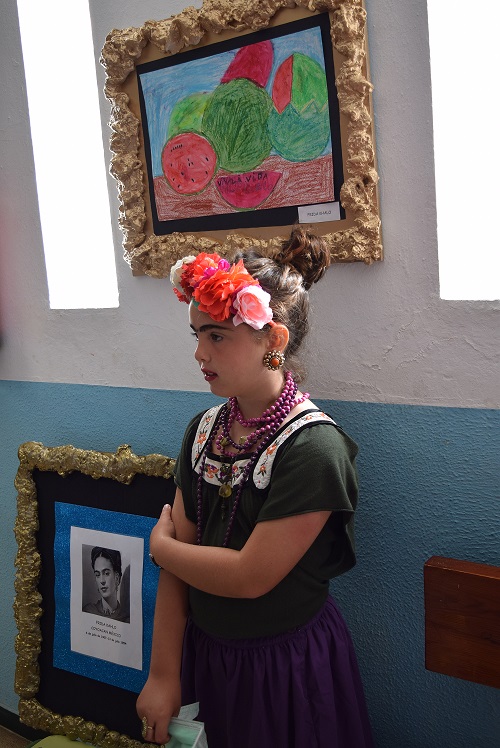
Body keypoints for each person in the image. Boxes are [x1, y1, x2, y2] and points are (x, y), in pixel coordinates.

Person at [137, 227, 373, 747]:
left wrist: (160, 547)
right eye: (196, 336)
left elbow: (249, 576)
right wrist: (163, 673)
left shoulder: (313, 449)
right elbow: (183, 564)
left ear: (274, 342)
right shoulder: (204, 431)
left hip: (285, 669)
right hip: (207, 657)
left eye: (217, 336)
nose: (200, 353)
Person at [83, 546, 130, 623]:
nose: (102, 581)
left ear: (117, 578)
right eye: (97, 575)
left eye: (106, 573)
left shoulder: (126, 619)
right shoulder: (88, 611)